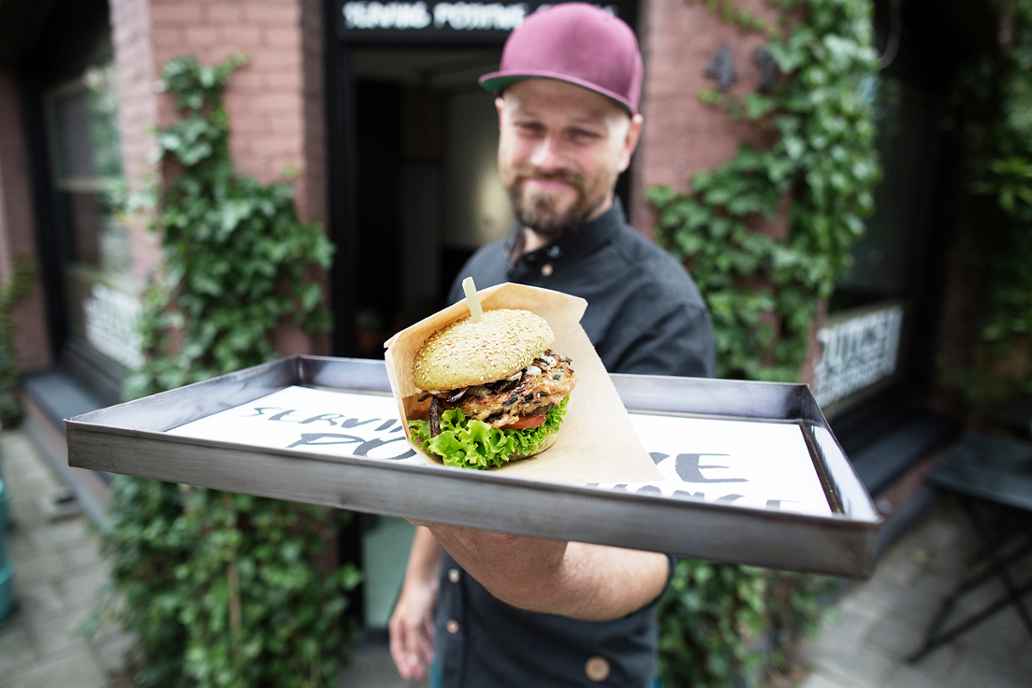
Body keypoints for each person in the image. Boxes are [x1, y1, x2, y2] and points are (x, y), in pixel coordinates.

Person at [389, 4, 716, 686]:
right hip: (460, 642)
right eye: (530, 126)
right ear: (501, 120)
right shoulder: (479, 274)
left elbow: (655, 553)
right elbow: (446, 441)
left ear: (628, 142)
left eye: (581, 134)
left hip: (571, 669)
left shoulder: (664, 309)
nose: (546, 157)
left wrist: (540, 577)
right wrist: (419, 580)